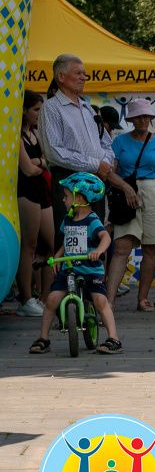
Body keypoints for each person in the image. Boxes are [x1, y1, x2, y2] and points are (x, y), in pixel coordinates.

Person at [28, 173, 122, 355]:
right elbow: (67, 242)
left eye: (66, 196)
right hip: (69, 268)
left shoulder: (92, 220)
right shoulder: (68, 220)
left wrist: (99, 251)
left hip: (90, 270)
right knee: (52, 299)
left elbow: (106, 237)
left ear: (79, 198)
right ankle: (43, 338)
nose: (63, 199)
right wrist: (57, 256)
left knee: (100, 301)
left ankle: (114, 338)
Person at [37, 54, 114, 237]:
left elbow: (106, 144)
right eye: (78, 73)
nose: (83, 77)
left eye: (84, 74)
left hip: (95, 182)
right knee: (73, 240)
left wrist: (105, 162)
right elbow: (54, 152)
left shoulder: (87, 108)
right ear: (61, 77)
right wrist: (96, 164)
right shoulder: (52, 108)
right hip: (69, 183)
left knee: (95, 238)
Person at [106, 98, 155, 310]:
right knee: (121, 247)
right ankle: (108, 300)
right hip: (127, 193)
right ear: (132, 119)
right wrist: (125, 189)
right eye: (140, 116)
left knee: (151, 248)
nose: (144, 119)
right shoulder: (119, 142)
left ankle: (142, 298)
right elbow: (110, 172)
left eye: (147, 116)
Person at [16, 90, 53, 317]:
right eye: (36, 110)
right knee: (28, 246)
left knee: (50, 244)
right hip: (26, 191)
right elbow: (27, 170)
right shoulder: (16, 136)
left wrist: (38, 161)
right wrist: (41, 163)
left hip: (42, 191)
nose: (39, 114)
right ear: (24, 111)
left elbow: (46, 160)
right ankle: (26, 297)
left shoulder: (36, 133)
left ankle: (45, 296)